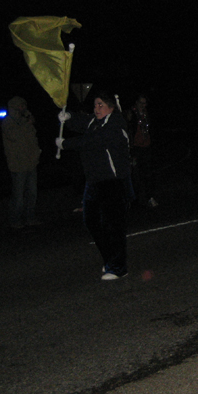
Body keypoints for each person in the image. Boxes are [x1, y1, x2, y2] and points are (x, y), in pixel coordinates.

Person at [57, 93, 133, 280]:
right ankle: (109, 259)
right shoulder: (95, 121)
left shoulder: (116, 124)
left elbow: (94, 141)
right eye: (95, 105)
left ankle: (118, 267)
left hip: (113, 182)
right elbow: (83, 121)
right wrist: (69, 118)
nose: (96, 109)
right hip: (95, 181)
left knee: (113, 226)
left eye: (100, 105)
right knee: (92, 221)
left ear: (111, 107)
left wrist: (66, 144)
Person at [2, 96, 41, 228]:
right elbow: (14, 136)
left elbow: (33, 138)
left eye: (24, 105)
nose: (23, 108)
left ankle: (30, 217)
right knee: (18, 196)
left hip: (31, 162)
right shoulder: (8, 121)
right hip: (18, 164)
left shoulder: (26, 120)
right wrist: (26, 123)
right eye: (20, 105)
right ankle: (15, 220)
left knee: (32, 193)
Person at [126, 94, 158, 208]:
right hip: (135, 148)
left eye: (144, 103)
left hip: (147, 147)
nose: (142, 105)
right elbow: (128, 129)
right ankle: (135, 200)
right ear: (136, 103)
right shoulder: (131, 113)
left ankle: (150, 197)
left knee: (148, 174)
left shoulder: (147, 114)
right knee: (135, 175)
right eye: (140, 103)